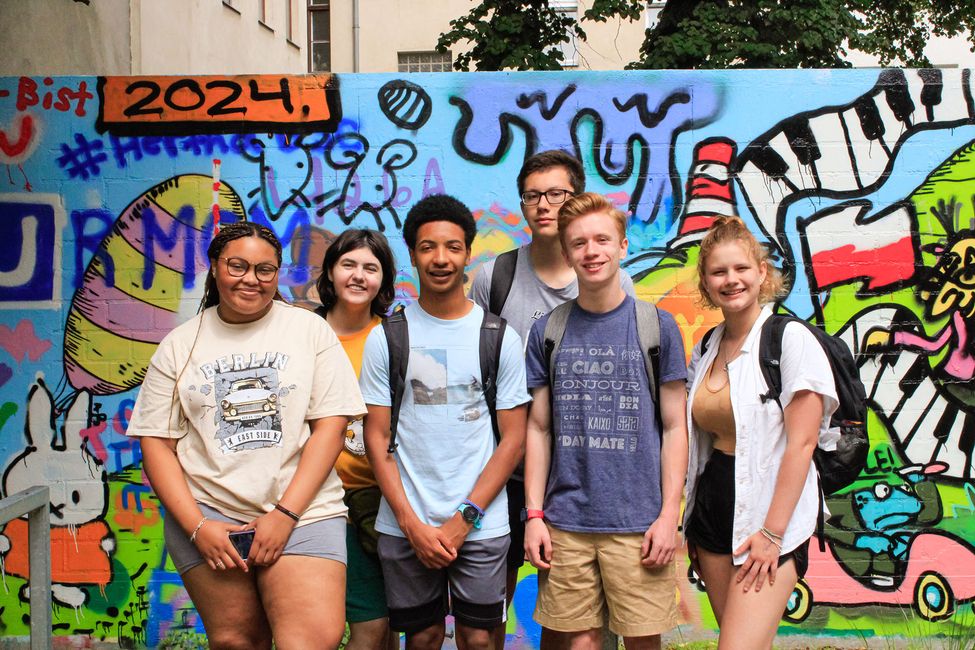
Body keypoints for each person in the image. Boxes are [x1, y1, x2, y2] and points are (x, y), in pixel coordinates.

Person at [127, 221, 365, 650]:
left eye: (265, 270)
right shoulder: (180, 345)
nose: (251, 279)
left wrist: (285, 515)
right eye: (238, 266)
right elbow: (155, 443)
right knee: (238, 640)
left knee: (312, 640)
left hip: (303, 513)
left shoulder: (309, 331)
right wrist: (198, 526)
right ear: (215, 266)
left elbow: (331, 426)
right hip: (207, 514)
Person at [467, 150, 634, 648]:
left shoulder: (609, 276)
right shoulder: (492, 278)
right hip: (500, 470)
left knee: (573, 620)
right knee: (484, 614)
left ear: (575, 199)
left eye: (557, 194)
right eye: (533, 195)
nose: (544, 205)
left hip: (575, 476)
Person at [360, 194, 530, 650]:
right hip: (404, 522)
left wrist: (465, 518)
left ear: (468, 254)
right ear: (413, 254)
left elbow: (513, 440)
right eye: (428, 247)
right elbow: (375, 435)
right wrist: (410, 522)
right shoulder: (389, 337)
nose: (441, 258)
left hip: (482, 521)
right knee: (423, 636)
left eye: (453, 247)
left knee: (479, 638)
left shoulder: (498, 337)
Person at [523, 193, 688, 650]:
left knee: (640, 642)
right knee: (580, 642)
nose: (591, 251)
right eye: (578, 243)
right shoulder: (548, 331)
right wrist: (534, 515)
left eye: (601, 240)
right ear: (566, 252)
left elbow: (676, 427)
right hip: (566, 521)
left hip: (638, 522)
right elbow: (538, 429)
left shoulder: (657, 327)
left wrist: (668, 515)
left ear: (622, 247)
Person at [684, 216, 837, 649]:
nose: (731, 280)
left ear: (762, 273)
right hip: (713, 509)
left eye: (740, 269)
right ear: (706, 282)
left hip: (771, 515)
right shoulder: (707, 346)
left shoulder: (788, 340)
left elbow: (803, 443)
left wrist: (773, 534)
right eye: (718, 272)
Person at [316, 228, 399, 650]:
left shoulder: (395, 338)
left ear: (384, 280)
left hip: (384, 499)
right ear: (330, 272)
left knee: (387, 625)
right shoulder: (304, 334)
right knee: (366, 627)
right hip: (318, 503)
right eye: (348, 264)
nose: (358, 276)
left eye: (371, 267)